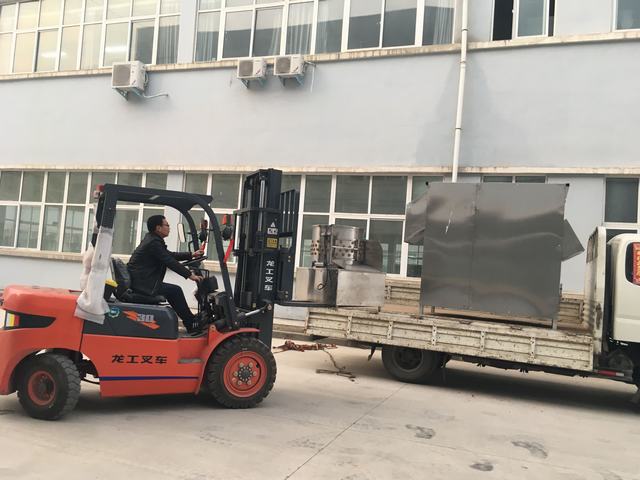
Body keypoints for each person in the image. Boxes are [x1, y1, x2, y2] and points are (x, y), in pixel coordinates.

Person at [128, 215, 204, 333]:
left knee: (173, 290)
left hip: (143, 281)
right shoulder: (153, 243)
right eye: (167, 225)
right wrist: (190, 275)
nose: (169, 228)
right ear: (158, 228)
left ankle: (190, 320)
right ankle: (191, 323)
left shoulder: (153, 240)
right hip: (144, 284)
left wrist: (191, 255)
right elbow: (169, 261)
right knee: (175, 290)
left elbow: (169, 255)